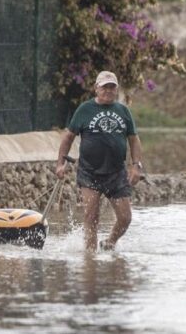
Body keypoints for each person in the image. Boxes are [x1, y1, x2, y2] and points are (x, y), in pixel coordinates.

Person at [55, 70, 144, 251]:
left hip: (116, 173)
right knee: (91, 216)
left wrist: (136, 166)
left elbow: (134, 139)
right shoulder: (84, 110)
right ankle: (90, 260)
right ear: (96, 88)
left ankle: (110, 242)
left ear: (116, 89)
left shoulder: (123, 111)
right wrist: (60, 164)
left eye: (112, 87)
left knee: (125, 218)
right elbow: (68, 137)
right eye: (105, 87)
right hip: (89, 172)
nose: (108, 91)